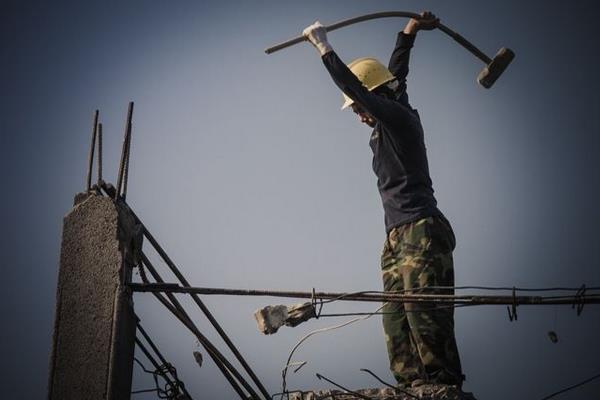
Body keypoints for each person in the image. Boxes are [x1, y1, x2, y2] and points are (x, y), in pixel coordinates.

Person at [302, 12, 465, 389]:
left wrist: (323, 47)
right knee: (394, 317)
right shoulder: (392, 106)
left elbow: (362, 89)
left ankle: (441, 382)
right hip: (395, 235)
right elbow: (396, 73)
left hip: (421, 229)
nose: (358, 115)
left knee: (423, 311)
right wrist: (410, 30)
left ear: (374, 97)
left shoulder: (397, 118)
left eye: (359, 108)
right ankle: (410, 384)